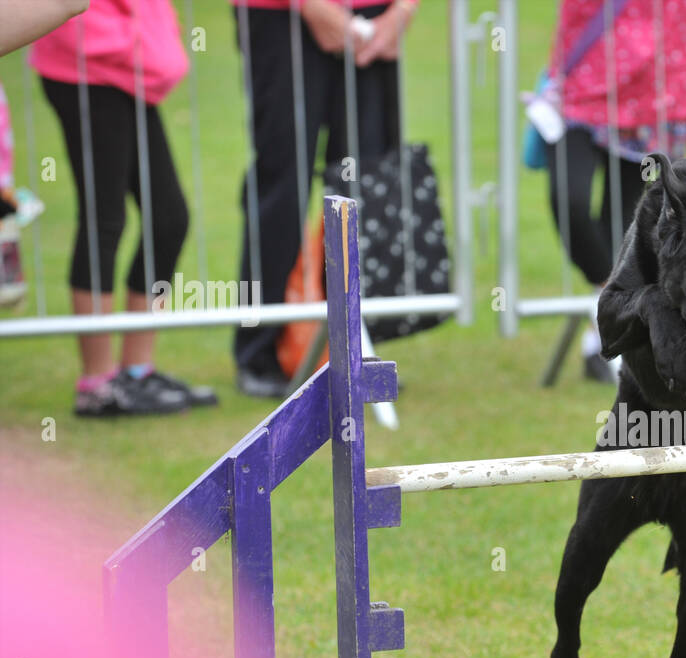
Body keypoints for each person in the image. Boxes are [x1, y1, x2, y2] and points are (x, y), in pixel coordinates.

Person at [31, 0, 216, 416]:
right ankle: (96, 384)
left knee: (169, 218)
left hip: (132, 68)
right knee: (104, 219)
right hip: (87, 65)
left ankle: (136, 372)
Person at [230, 0, 416, 398]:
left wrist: (403, 9)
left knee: (368, 185)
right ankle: (259, 347)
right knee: (281, 184)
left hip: (374, 16)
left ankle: (354, 345)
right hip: (280, 15)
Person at [540, 0, 686, 383]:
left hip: (654, 90)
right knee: (570, 200)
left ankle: (601, 338)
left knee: (628, 223)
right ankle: (613, 304)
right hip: (582, 83)